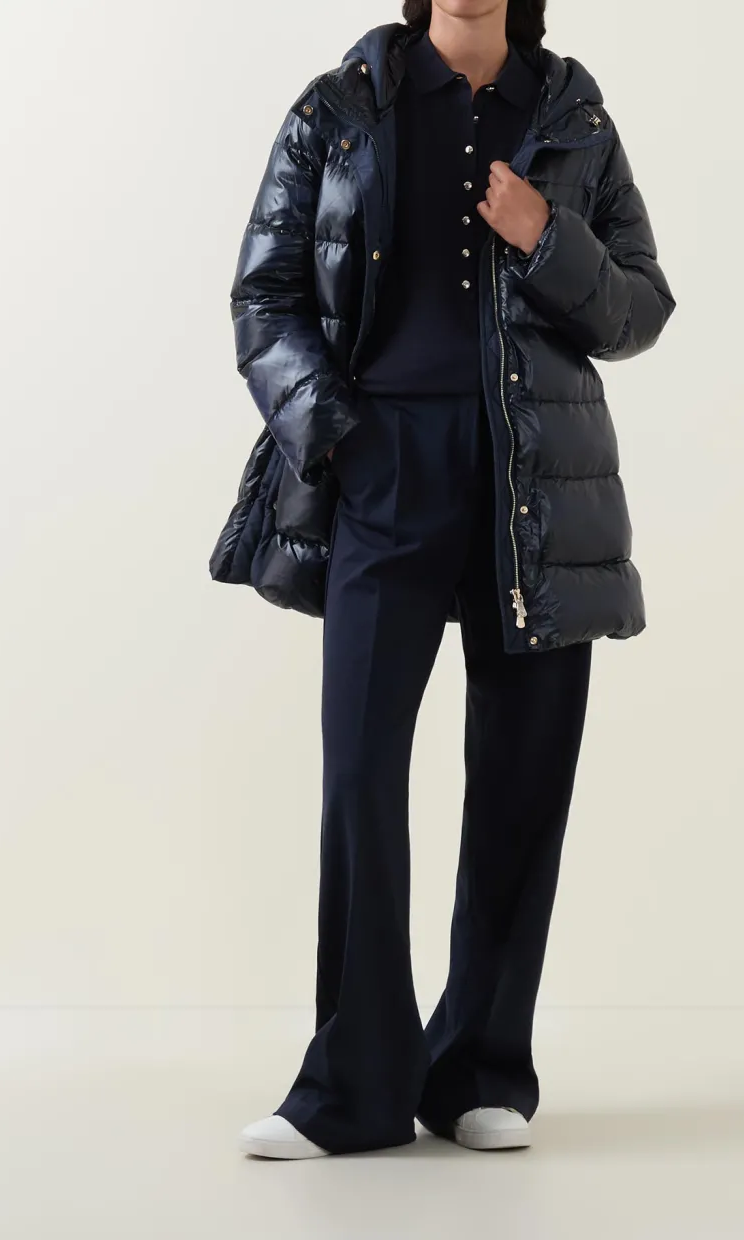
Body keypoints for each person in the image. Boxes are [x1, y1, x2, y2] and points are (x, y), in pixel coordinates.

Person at [217, 0, 674, 1159]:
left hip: (536, 481)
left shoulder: (572, 118)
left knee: (522, 779)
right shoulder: (339, 109)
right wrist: (340, 434)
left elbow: (637, 308)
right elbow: (263, 298)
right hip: (384, 469)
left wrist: (545, 235)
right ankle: (353, 1088)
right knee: (361, 772)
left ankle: (478, 1067)